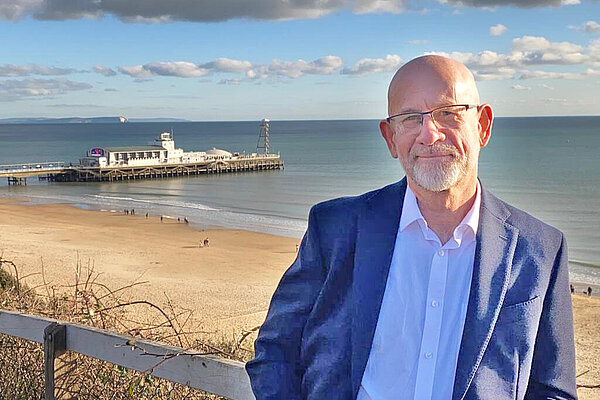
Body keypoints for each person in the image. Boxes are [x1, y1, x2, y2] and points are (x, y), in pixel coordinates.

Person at [246, 55, 577, 400]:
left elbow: (553, 391)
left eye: (448, 112)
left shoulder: (539, 250)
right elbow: (274, 352)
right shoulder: (336, 229)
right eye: (410, 119)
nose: (429, 134)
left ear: (482, 125)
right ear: (390, 138)